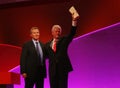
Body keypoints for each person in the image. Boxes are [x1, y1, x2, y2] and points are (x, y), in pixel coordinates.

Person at [45, 11, 79, 88]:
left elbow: (72, 33)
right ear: (52, 33)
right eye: (56, 31)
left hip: (62, 69)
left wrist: (74, 20)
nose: (58, 33)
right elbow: (44, 56)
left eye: (59, 31)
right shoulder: (47, 45)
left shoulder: (64, 40)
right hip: (52, 71)